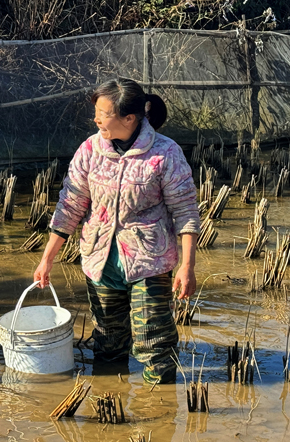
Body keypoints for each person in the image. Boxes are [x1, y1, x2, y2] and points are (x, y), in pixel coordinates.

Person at [33, 78, 199, 384]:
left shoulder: (165, 153)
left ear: (129, 118)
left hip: (150, 261)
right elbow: (69, 205)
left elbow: (186, 212)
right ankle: (110, 411)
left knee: (155, 345)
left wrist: (186, 267)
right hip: (101, 262)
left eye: (103, 113)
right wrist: (47, 259)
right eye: (96, 111)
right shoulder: (89, 150)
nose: (96, 119)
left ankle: (159, 415)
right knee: (107, 345)